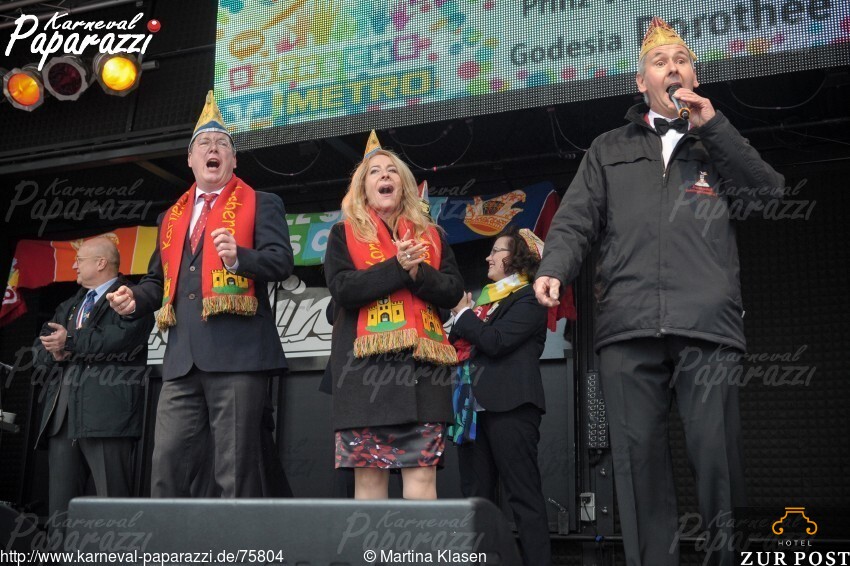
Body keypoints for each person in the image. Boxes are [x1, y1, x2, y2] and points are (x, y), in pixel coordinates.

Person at [534, 17, 786, 566]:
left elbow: (767, 195)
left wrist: (715, 128)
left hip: (707, 324)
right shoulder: (607, 148)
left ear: (695, 76)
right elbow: (575, 220)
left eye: (682, 60)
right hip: (627, 324)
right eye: (660, 61)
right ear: (640, 82)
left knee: (718, 462)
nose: (673, 68)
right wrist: (554, 266)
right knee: (637, 465)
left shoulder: (716, 140)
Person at [107, 91, 294, 498]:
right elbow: (158, 281)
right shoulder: (170, 217)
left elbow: (281, 262)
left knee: (235, 470)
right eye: (204, 144)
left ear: (233, 160)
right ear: (190, 159)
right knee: (167, 464)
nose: (213, 149)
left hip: (239, 357)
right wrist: (134, 299)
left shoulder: (262, 203)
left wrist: (240, 258)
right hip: (181, 361)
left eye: (222, 144)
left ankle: (235, 539)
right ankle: (169, 538)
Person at [324, 131, 464, 500]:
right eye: (375, 172)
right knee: (369, 483)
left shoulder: (432, 236)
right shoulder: (343, 234)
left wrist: (418, 273)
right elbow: (343, 289)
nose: (384, 176)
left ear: (403, 186)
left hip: (423, 378)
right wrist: (397, 268)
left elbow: (452, 292)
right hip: (364, 380)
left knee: (422, 481)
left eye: (392, 171)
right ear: (363, 189)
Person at [33, 236, 153, 534]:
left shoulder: (130, 299)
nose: (74, 265)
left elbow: (120, 340)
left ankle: (115, 554)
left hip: (107, 416)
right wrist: (55, 352)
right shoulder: (70, 304)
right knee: (60, 510)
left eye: (79, 260)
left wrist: (70, 342)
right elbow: (39, 348)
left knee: (112, 504)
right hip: (63, 416)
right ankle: (61, 553)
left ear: (101, 263)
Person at [448, 227, 551, 566]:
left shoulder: (529, 298)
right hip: (470, 411)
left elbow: (496, 342)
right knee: (476, 502)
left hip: (511, 408)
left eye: (496, 251)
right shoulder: (485, 302)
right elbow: (460, 347)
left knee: (523, 497)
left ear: (516, 258)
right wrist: (464, 316)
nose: (488, 257)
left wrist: (462, 314)